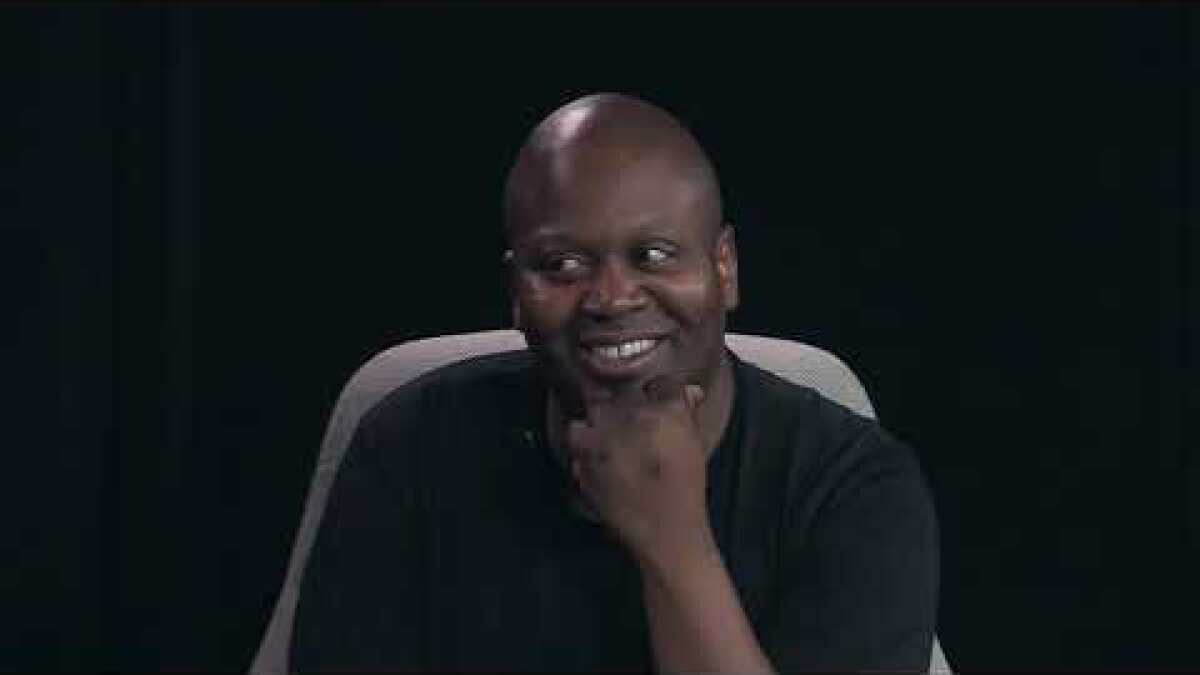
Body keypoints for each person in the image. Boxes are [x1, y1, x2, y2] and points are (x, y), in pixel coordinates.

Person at [290, 93, 939, 672]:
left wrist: (672, 540)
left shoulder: (853, 489)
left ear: (724, 268)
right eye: (563, 264)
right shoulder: (409, 451)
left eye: (653, 255)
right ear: (516, 290)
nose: (611, 297)